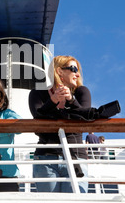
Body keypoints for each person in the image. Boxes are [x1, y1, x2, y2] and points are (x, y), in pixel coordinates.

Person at [29, 55, 90, 193]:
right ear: (59, 71)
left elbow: (85, 117)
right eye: (73, 69)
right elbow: (38, 117)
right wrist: (53, 100)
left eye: (78, 70)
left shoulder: (81, 92)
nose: (77, 74)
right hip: (46, 157)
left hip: (76, 157)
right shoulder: (38, 93)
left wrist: (71, 99)